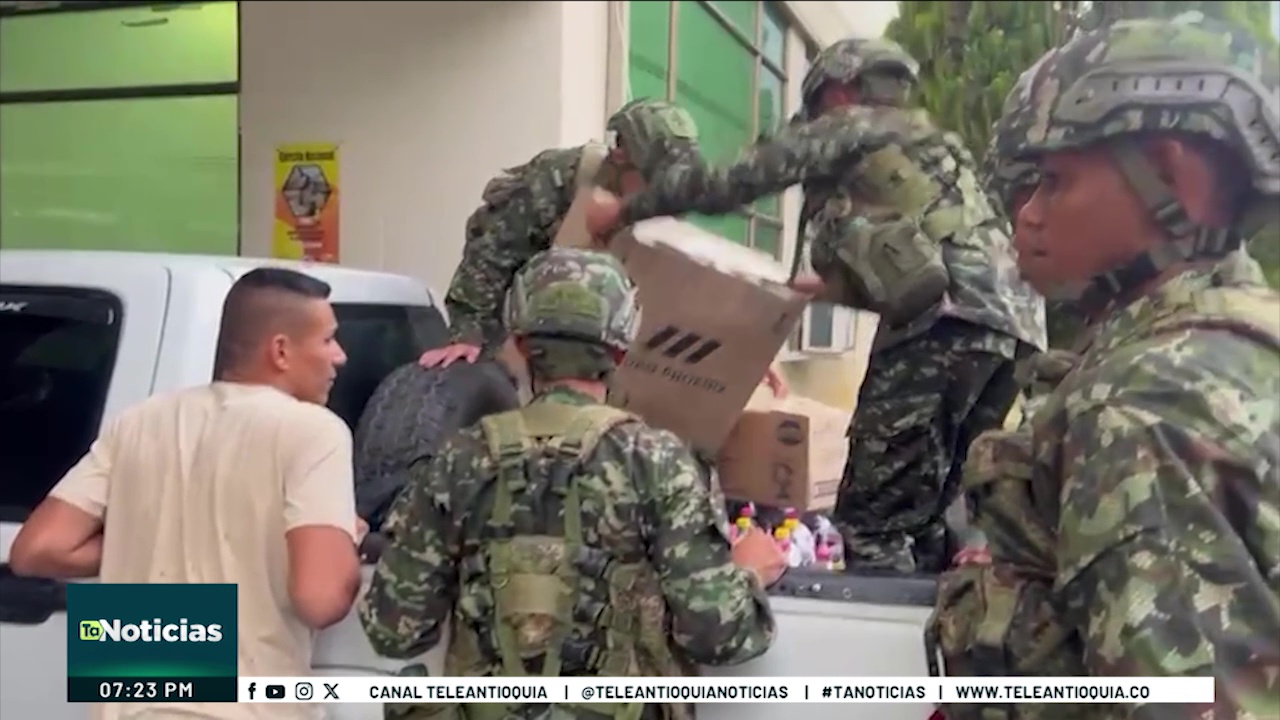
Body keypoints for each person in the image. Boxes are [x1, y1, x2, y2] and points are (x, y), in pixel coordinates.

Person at [584, 37, 1047, 574]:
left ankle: (875, 650)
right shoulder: (935, 145)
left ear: (840, 88)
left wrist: (624, 211)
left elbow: (729, 182)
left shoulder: (848, 127)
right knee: (924, 511)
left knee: (872, 521)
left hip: (941, 327)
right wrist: (825, 288)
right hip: (1016, 331)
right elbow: (924, 246)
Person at [935, 14, 1280, 719]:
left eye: (1054, 181)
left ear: (1170, 176)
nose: (1026, 215)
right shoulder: (1245, 343)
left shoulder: (1136, 402)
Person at [360, 247, 782, 720]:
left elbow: (394, 630)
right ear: (620, 350)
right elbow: (720, 635)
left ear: (519, 343)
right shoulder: (657, 460)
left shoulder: (459, 459)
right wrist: (750, 572)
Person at [10, 268, 367, 720]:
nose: (340, 356)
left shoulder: (142, 419)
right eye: (328, 340)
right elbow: (320, 597)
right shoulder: (313, 431)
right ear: (280, 350)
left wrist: (143, 540)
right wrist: (340, 542)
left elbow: (37, 550)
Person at [419, 97, 788, 397]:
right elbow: (493, 253)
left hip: (598, 321)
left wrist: (737, 355)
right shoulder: (558, 178)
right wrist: (467, 333)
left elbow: (682, 283)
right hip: (528, 309)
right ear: (621, 154)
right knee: (501, 392)